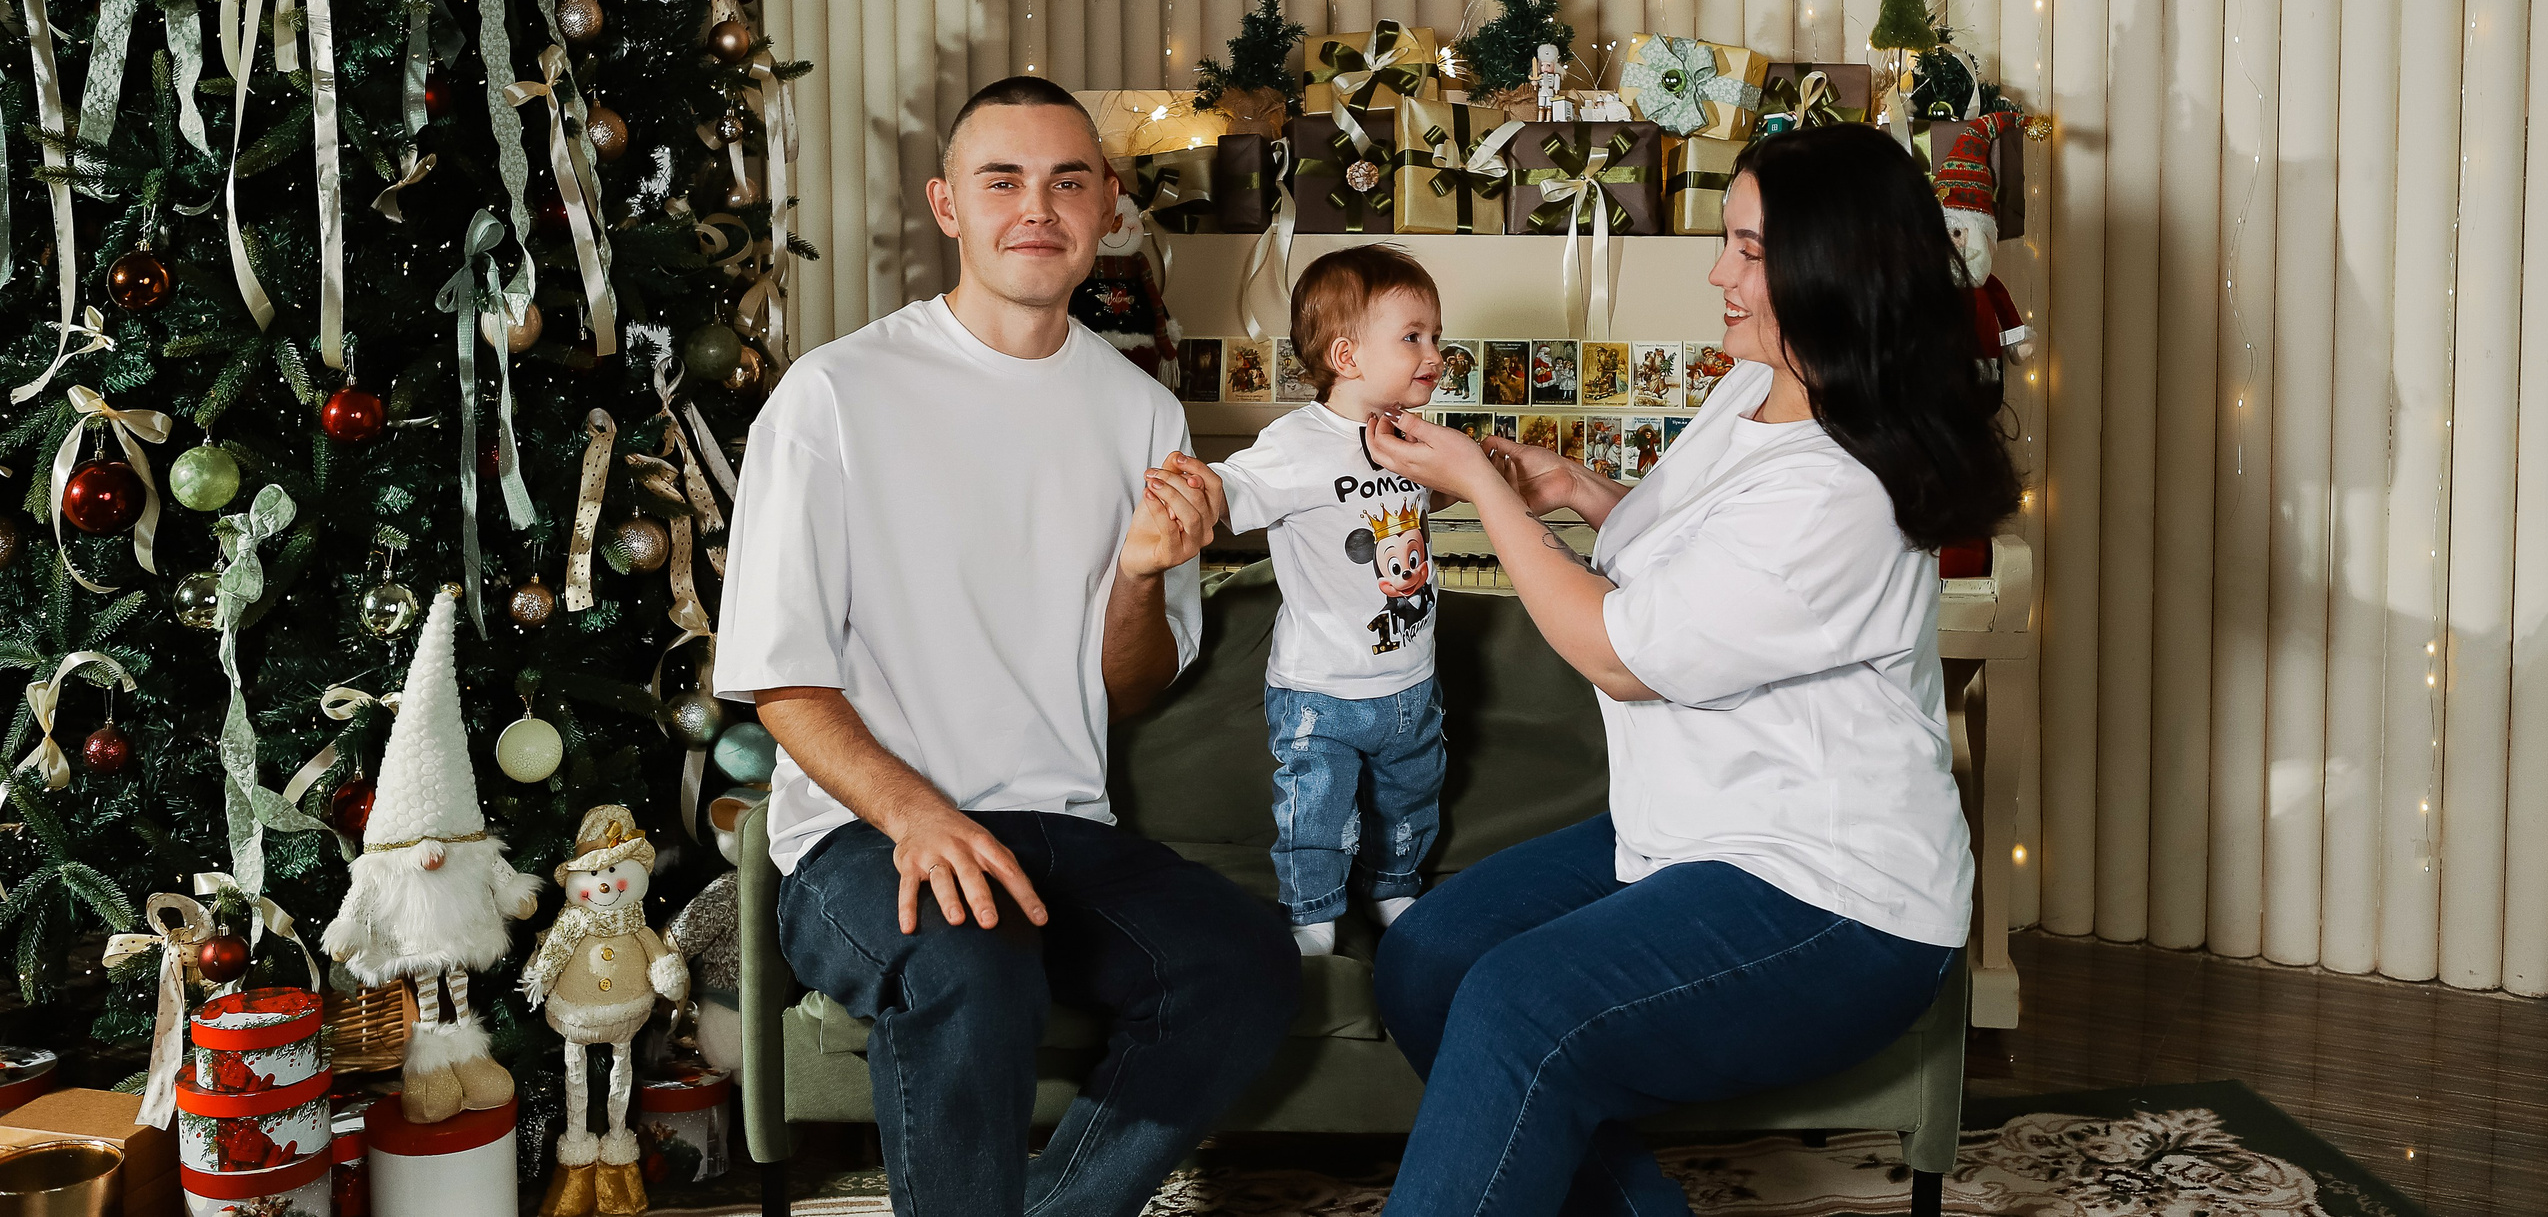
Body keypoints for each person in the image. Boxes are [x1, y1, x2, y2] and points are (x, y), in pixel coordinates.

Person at [1355, 124, 2022, 1216]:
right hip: (1694, 827)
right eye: (1728, 241)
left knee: (1520, 1008)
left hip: (1837, 895)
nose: (1718, 272)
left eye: (1749, 251)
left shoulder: (1841, 486)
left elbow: (1623, 656)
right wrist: (1574, 489)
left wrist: (1478, 485)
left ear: (1832, 268)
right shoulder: (1751, 391)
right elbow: (1704, 567)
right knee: (1430, 960)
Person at [714, 77, 1300, 1217]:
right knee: (965, 966)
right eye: (1003, 181)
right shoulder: (833, 394)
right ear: (948, 206)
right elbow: (783, 682)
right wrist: (919, 816)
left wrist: (1135, 580)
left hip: (1062, 828)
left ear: (1107, 208)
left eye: (1067, 181)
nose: (1037, 207)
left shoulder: (1141, 414)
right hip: (861, 837)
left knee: (1239, 964)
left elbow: (1127, 688)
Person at [1169, 246, 1451, 959]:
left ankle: (1394, 883)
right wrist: (1185, 486)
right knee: (1316, 807)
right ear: (1348, 355)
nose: (1436, 353)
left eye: (1436, 336)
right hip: (1322, 689)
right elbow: (1228, 490)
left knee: (1411, 794)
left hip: (1411, 680)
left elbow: (1420, 501)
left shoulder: (1411, 437)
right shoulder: (1296, 443)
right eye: (1414, 336)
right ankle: (1313, 911)